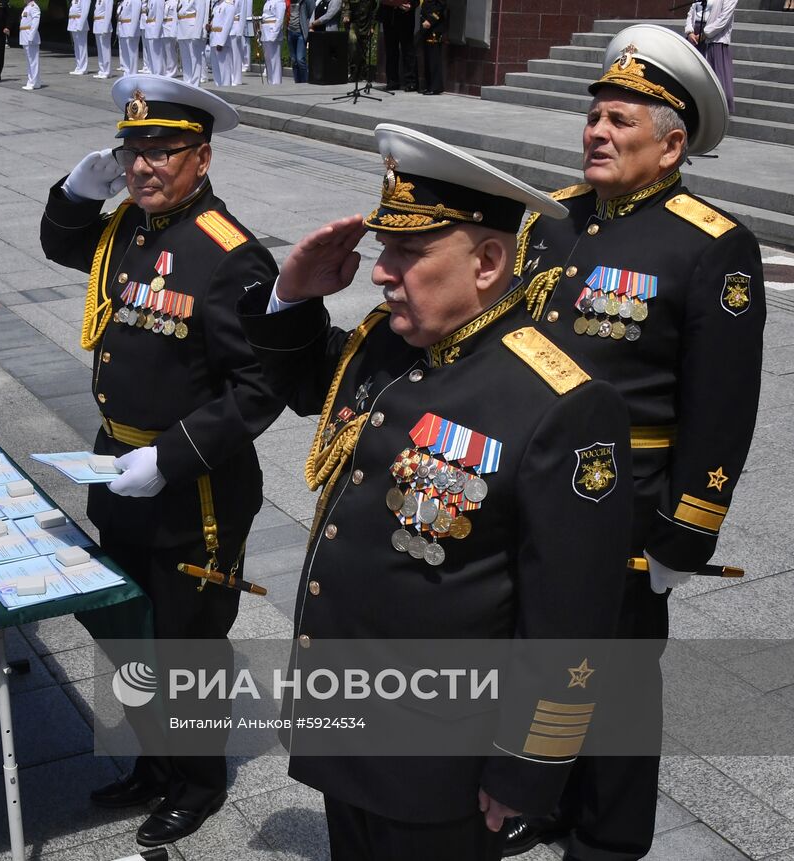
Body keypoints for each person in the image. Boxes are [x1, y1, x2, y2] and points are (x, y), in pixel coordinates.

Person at [237, 123, 633, 861]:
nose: (381, 273)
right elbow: (309, 385)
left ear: (487, 262)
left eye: (408, 253)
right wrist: (291, 294)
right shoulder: (390, 344)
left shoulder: (559, 404)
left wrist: (528, 766)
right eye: (384, 248)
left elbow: (571, 617)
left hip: (441, 759)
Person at [501, 25, 765, 861]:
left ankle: (609, 838)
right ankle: (543, 797)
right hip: (531, 489)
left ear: (671, 144)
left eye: (620, 121)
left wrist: (687, 527)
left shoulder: (711, 244)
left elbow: (724, 403)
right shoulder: (554, 217)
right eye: (595, 117)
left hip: (626, 503)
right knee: (542, 656)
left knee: (612, 680)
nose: (597, 133)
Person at [40, 76, 283, 848]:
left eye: (162, 150)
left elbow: (259, 387)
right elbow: (62, 243)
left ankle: (197, 782)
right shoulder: (130, 229)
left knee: (186, 643)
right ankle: (154, 761)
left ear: (201, 157)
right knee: (130, 631)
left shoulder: (230, 255)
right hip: (118, 466)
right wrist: (77, 193)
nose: (143, 165)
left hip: (193, 488)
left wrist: (171, 457)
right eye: (132, 150)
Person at [685, 0, 737, 114]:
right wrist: (689, 31)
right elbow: (692, 11)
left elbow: (723, 19)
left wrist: (705, 34)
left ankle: (716, 110)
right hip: (695, 34)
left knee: (715, 76)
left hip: (714, 36)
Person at [377, 0, 415, 91]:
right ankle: (392, 81)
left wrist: (411, 5)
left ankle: (410, 82)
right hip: (389, 18)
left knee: (408, 50)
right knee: (391, 51)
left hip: (405, 17)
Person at [175, 0, 207, 86]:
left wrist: (197, 33)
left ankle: (195, 82)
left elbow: (200, 14)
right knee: (185, 58)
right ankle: (187, 81)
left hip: (192, 29)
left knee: (195, 58)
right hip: (182, 28)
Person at [418, 0, 446, 94]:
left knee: (433, 58)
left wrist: (430, 20)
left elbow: (441, 7)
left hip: (434, 26)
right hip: (426, 26)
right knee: (428, 58)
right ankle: (429, 86)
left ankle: (435, 87)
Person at [207, 0, 232, 86]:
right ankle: (218, 86)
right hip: (213, 38)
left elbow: (227, 25)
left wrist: (221, 42)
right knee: (216, 68)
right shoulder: (216, 5)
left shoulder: (229, 5)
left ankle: (226, 87)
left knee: (224, 69)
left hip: (222, 40)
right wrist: (209, 27)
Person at [18, 0, 41, 89]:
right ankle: (36, 82)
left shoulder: (33, 7)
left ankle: (32, 83)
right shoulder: (27, 7)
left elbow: (35, 22)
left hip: (29, 37)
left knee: (33, 61)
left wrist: (31, 36)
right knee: (30, 61)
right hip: (25, 36)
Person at [258, 0, 283, 83]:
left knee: (274, 60)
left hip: (272, 31)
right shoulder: (267, 2)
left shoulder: (279, 1)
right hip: (265, 32)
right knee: (268, 59)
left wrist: (274, 34)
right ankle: (270, 81)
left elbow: (279, 19)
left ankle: (276, 82)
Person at [116, 0, 140, 76]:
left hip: (130, 29)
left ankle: (133, 73)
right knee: (125, 53)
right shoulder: (124, 1)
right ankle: (127, 72)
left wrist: (132, 31)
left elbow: (135, 16)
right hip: (123, 28)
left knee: (132, 54)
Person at [67, 0, 91, 73]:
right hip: (73, 23)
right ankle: (78, 66)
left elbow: (85, 11)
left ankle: (83, 68)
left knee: (82, 47)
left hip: (80, 24)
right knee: (76, 47)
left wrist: (81, 25)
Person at [91, 0, 112, 78]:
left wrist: (106, 27)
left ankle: (107, 71)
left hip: (103, 25)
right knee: (100, 50)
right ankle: (102, 70)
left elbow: (108, 12)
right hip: (97, 24)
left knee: (105, 50)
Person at [141, 0, 162, 75]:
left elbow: (159, 16)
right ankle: (153, 72)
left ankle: (158, 73)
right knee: (150, 54)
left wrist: (157, 32)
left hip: (154, 28)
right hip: (149, 28)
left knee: (156, 55)